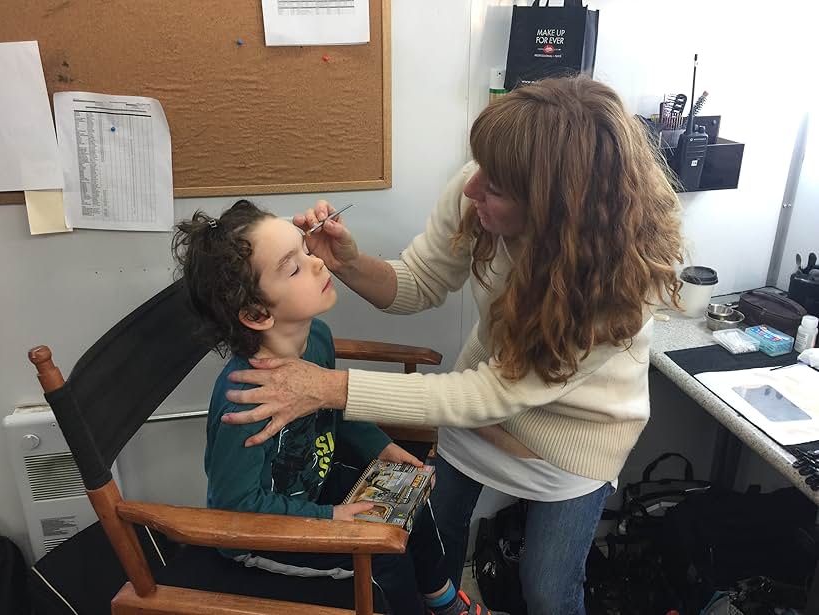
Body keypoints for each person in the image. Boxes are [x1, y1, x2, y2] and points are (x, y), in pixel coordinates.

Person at [220, 76, 684, 615]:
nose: (471, 187)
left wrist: (329, 389)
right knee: (434, 548)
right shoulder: (487, 180)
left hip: (573, 441)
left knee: (548, 592)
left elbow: (492, 393)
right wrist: (349, 263)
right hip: (478, 419)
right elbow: (418, 282)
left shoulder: (622, 283)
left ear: (558, 210)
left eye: (497, 189)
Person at [171, 200, 504, 615]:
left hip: (316, 487)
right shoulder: (244, 395)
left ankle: (446, 603)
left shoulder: (319, 339)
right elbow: (235, 507)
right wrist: (330, 517)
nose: (315, 264)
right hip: (262, 534)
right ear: (257, 313)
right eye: (293, 267)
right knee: (383, 558)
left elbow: (338, 411)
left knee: (408, 503)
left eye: (306, 251)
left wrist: (384, 449)